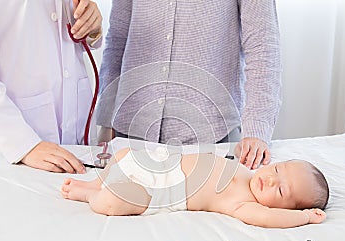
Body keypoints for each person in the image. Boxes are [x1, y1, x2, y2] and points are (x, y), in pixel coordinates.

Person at [96, 0, 282, 170]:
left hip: (211, 138)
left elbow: (263, 46)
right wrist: (106, 120)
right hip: (131, 132)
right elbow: (118, 39)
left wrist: (256, 130)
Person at [0, 0, 103, 173]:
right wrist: (23, 144)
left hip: (76, 135)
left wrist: (92, 26)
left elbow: (62, 27)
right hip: (13, 146)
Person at [61, 147, 329, 228]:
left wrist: (304, 217)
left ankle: (90, 195)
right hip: (162, 165)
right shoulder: (245, 169)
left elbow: (271, 219)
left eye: (280, 191)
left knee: (111, 203)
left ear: (282, 207)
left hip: (161, 194)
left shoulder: (244, 205)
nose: (271, 180)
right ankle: (95, 182)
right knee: (123, 155)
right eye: (278, 170)